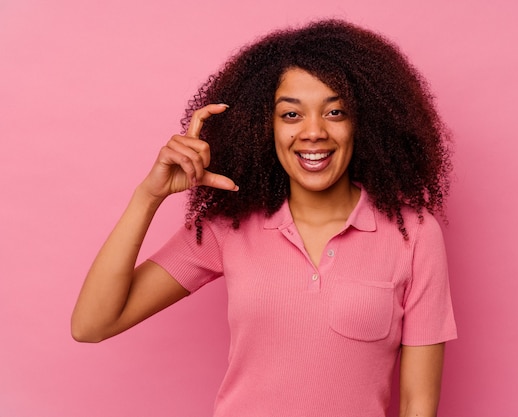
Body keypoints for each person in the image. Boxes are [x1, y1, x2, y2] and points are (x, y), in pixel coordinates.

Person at [71, 19, 457, 417]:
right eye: (291, 115)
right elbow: (92, 325)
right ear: (263, 126)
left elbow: (418, 404)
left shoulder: (414, 235)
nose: (313, 132)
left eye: (335, 111)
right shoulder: (228, 228)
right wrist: (147, 197)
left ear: (365, 123)